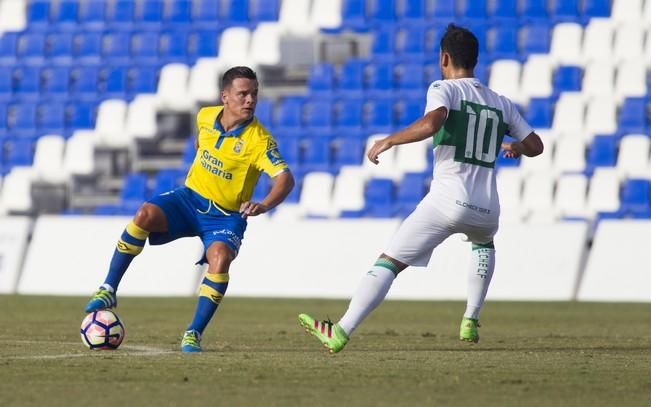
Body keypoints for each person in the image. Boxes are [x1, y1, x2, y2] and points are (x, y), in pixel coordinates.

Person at [298, 24, 543, 353]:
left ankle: (340, 330)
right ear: (475, 59)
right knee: (483, 243)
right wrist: (516, 147)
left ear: (444, 58)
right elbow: (536, 145)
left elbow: (432, 122)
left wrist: (389, 139)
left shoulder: (445, 88)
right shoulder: (501, 102)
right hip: (488, 206)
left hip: (447, 199)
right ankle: (471, 318)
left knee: (390, 262)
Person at [85, 66, 295, 352]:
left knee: (220, 258)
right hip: (189, 199)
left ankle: (193, 333)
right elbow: (201, 142)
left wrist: (264, 204)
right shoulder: (206, 116)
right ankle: (108, 289)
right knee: (144, 214)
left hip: (224, 216)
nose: (250, 100)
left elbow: (285, 178)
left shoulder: (259, 140)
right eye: (243, 94)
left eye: (254, 94)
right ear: (225, 96)